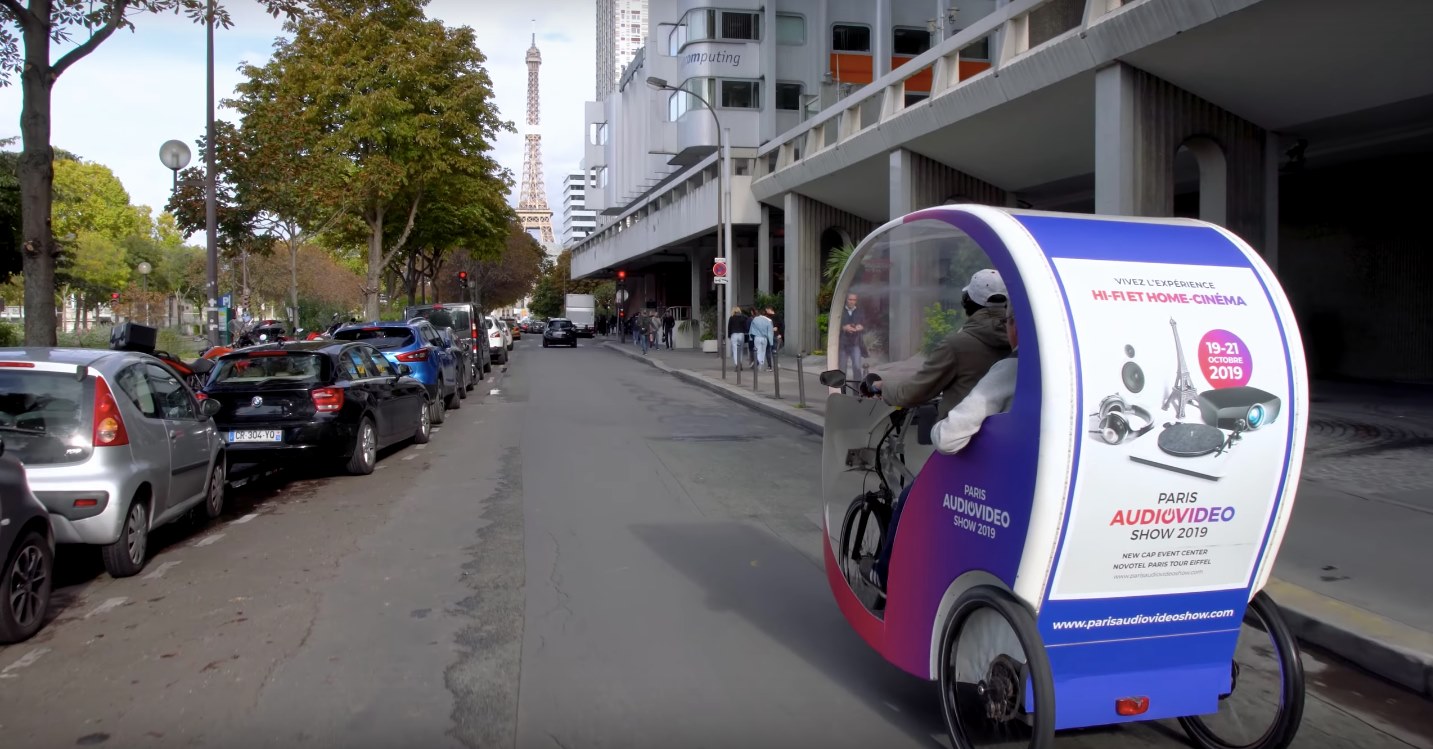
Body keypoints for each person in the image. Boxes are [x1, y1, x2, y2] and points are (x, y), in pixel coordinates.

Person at [867, 305, 1020, 593]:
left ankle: (884, 574)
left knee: (909, 502)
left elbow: (924, 402)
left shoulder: (976, 353)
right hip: (1014, 471)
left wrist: (884, 387)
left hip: (968, 458)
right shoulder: (1051, 363)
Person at [869, 269, 1012, 419]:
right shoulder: (1021, 340)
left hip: (962, 437)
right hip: (1008, 434)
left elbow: (914, 393)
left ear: (967, 301)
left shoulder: (957, 345)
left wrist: (881, 386)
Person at [838, 293, 867, 382]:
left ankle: (857, 390)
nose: (852, 302)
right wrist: (844, 328)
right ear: (846, 300)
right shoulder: (840, 311)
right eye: (850, 299)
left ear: (856, 301)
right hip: (843, 344)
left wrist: (860, 327)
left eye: (854, 300)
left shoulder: (860, 311)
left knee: (857, 367)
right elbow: (834, 325)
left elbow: (865, 325)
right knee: (842, 368)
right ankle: (841, 390)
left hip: (855, 343)